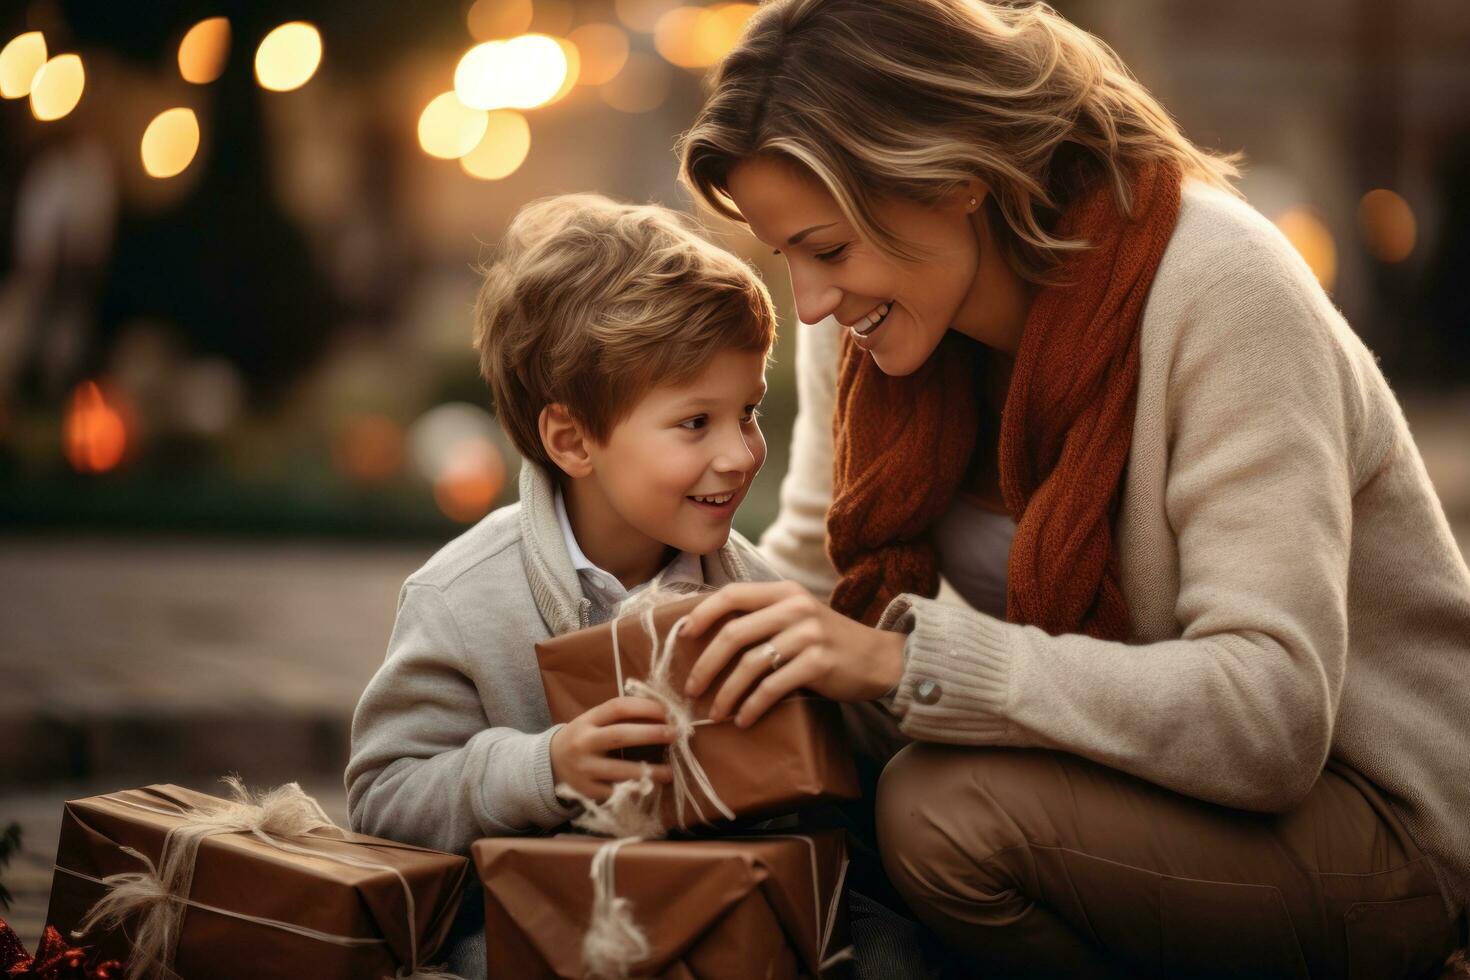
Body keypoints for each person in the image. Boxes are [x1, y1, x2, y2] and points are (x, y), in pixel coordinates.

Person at [672, 0, 1470, 975]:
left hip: (1374, 822)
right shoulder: (871, 313)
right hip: (1111, 787)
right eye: (784, 251)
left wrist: (903, 662)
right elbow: (812, 581)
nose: (810, 298)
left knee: (939, 813)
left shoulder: (1219, 288)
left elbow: (1269, 713)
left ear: (957, 177)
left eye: (828, 249)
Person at [345, 193, 779, 976]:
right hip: (521, 945)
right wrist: (544, 768)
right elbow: (384, 797)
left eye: (748, 412)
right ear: (573, 440)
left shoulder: (756, 594)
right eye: (695, 422)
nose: (741, 454)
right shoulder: (463, 599)